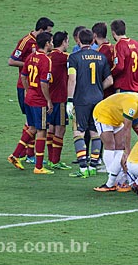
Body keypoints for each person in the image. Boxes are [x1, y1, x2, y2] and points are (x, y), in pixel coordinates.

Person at [66, 29, 113, 178]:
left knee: (78, 132)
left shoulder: (74, 58)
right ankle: (93, 166)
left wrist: (69, 99)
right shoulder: (101, 57)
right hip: (98, 100)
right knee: (95, 132)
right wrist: (98, 88)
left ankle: (82, 168)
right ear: (92, 41)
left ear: (79, 40)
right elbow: (110, 80)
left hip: (81, 100)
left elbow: (72, 79)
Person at [92, 93, 138, 192]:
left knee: (120, 147)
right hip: (103, 114)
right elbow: (127, 129)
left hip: (117, 117)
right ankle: (112, 180)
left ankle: (115, 181)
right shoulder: (132, 104)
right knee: (110, 145)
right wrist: (127, 151)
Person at [8, 17, 54, 163]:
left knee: (32, 123)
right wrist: (33, 64)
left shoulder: (38, 51)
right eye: (48, 33)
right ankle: (30, 156)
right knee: (33, 124)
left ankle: (26, 154)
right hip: (27, 88)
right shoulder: (26, 41)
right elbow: (11, 61)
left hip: (32, 88)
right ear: (41, 31)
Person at [110, 19, 138, 138]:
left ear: (113, 32)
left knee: (123, 123)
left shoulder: (119, 45)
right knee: (136, 122)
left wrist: (109, 74)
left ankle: (122, 152)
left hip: (124, 88)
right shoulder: (136, 43)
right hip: (137, 88)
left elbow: (119, 66)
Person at [47, 31, 72, 170]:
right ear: (63, 42)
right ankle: (55, 161)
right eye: (67, 41)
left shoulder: (48, 55)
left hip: (49, 98)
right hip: (60, 99)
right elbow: (76, 58)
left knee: (51, 128)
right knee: (60, 129)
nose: (68, 44)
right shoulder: (62, 56)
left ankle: (51, 160)